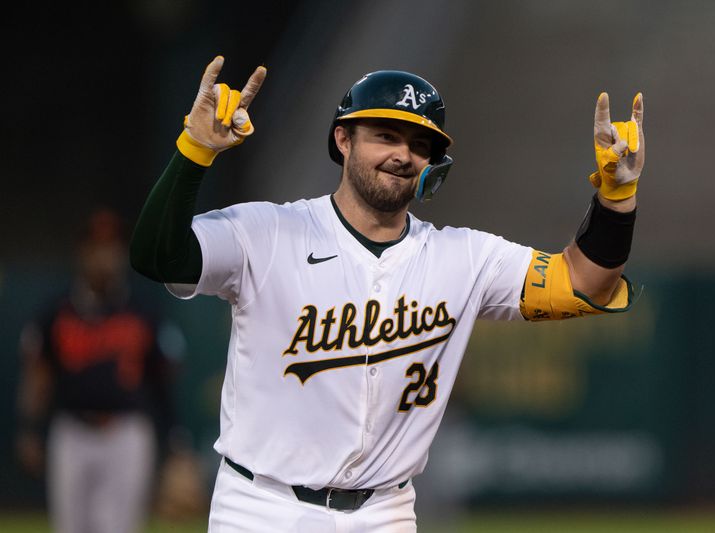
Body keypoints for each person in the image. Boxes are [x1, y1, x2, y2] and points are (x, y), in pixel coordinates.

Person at [129, 56, 644, 532]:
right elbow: (156, 257)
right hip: (261, 506)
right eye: (385, 135)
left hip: (384, 512)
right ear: (343, 140)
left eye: (420, 145)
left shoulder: (464, 257)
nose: (403, 155)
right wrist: (194, 151)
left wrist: (616, 200)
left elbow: (584, 283)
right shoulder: (267, 231)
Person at [15, 208, 181, 533]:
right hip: (72, 430)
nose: (106, 256)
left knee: (119, 528)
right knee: (69, 527)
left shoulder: (143, 308)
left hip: (127, 432)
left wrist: (174, 441)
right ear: (84, 252)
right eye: (98, 246)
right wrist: (29, 428)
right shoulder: (57, 309)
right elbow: (39, 372)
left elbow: (163, 377)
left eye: (113, 246)